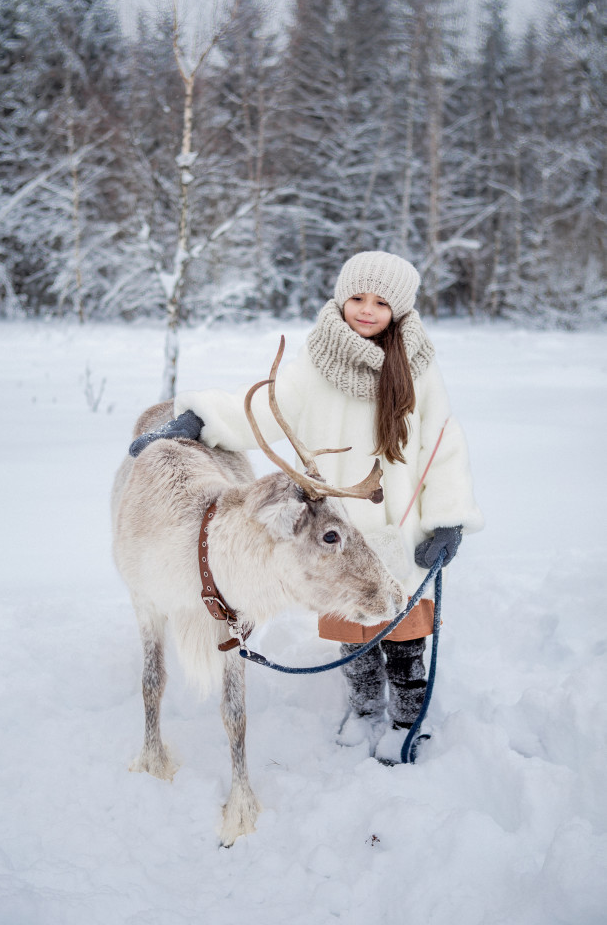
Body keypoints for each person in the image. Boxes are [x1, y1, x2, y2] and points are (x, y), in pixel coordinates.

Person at [134, 251, 483, 762]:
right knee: (352, 635)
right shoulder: (318, 364)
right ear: (341, 299)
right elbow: (262, 408)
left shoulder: (419, 370)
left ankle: (408, 721)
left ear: (400, 310)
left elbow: (442, 444)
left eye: (381, 302)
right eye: (357, 298)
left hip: (400, 524)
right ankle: (365, 709)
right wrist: (199, 420)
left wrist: (448, 517)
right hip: (337, 529)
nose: (366, 310)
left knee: (404, 636)